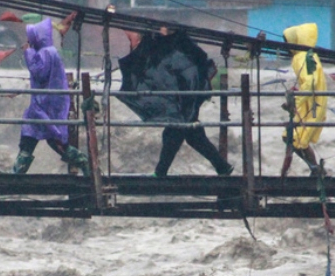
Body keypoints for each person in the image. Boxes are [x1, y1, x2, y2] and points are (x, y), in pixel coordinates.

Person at [117, 28, 233, 178]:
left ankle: (161, 172)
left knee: (175, 133)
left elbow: (184, 75)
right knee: (192, 135)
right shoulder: (179, 49)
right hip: (185, 100)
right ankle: (222, 167)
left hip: (185, 100)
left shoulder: (178, 50)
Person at [12, 18, 89, 174]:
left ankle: (84, 163)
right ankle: (17, 173)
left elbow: (39, 73)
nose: (28, 39)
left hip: (46, 105)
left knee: (56, 140)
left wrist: (28, 52)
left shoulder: (47, 52)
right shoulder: (47, 51)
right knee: (29, 136)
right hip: (41, 104)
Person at [281, 23, 327, 177]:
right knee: (294, 137)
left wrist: (295, 102)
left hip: (310, 105)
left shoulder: (301, 57)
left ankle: (315, 168)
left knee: (294, 137)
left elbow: (309, 82)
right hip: (314, 102)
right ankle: (315, 168)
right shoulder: (310, 55)